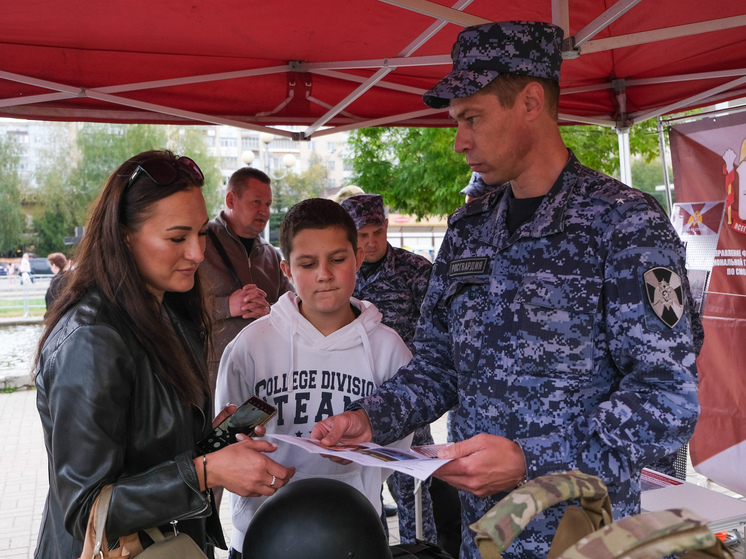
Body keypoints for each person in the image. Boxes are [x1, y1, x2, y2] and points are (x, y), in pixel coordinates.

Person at [312, 21, 702, 559]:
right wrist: (371, 418)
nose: (459, 141)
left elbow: (667, 399)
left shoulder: (625, 225)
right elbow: (437, 365)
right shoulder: (470, 230)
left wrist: (531, 458)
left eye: (472, 118)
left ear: (531, 103)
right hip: (486, 537)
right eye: (456, 122)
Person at [33, 150, 294, 559]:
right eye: (177, 238)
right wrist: (208, 471)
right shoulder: (91, 340)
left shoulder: (170, 311)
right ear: (123, 235)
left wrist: (210, 442)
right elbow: (86, 513)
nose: (196, 252)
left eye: (201, 233)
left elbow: (149, 453)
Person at [215, 198, 414, 558]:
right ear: (286, 270)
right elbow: (225, 439)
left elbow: (398, 450)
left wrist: (363, 455)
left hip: (352, 533)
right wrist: (237, 439)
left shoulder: (388, 349)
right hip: (261, 536)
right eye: (307, 264)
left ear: (358, 256)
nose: (324, 273)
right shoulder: (252, 347)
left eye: (337, 260)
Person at [339, 193, 442, 548]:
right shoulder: (341, 273)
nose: (370, 241)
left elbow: (439, 328)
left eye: (377, 232)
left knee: (412, 482)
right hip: (353, 394)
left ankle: (422, 550)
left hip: (407, 393)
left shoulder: (414, 270)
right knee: (365, 487)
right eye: (362, 235)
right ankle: (376, 549)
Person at [202, 167, 293, 396]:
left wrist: (270, 311)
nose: (265, 211)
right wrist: (227, 306)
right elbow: (171, 309)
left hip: (266, 378)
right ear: (231, 199)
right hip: (212, 380)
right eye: (257, 202)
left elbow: (292, 308)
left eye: (268, 204)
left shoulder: (272, 256)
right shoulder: (200, 245)